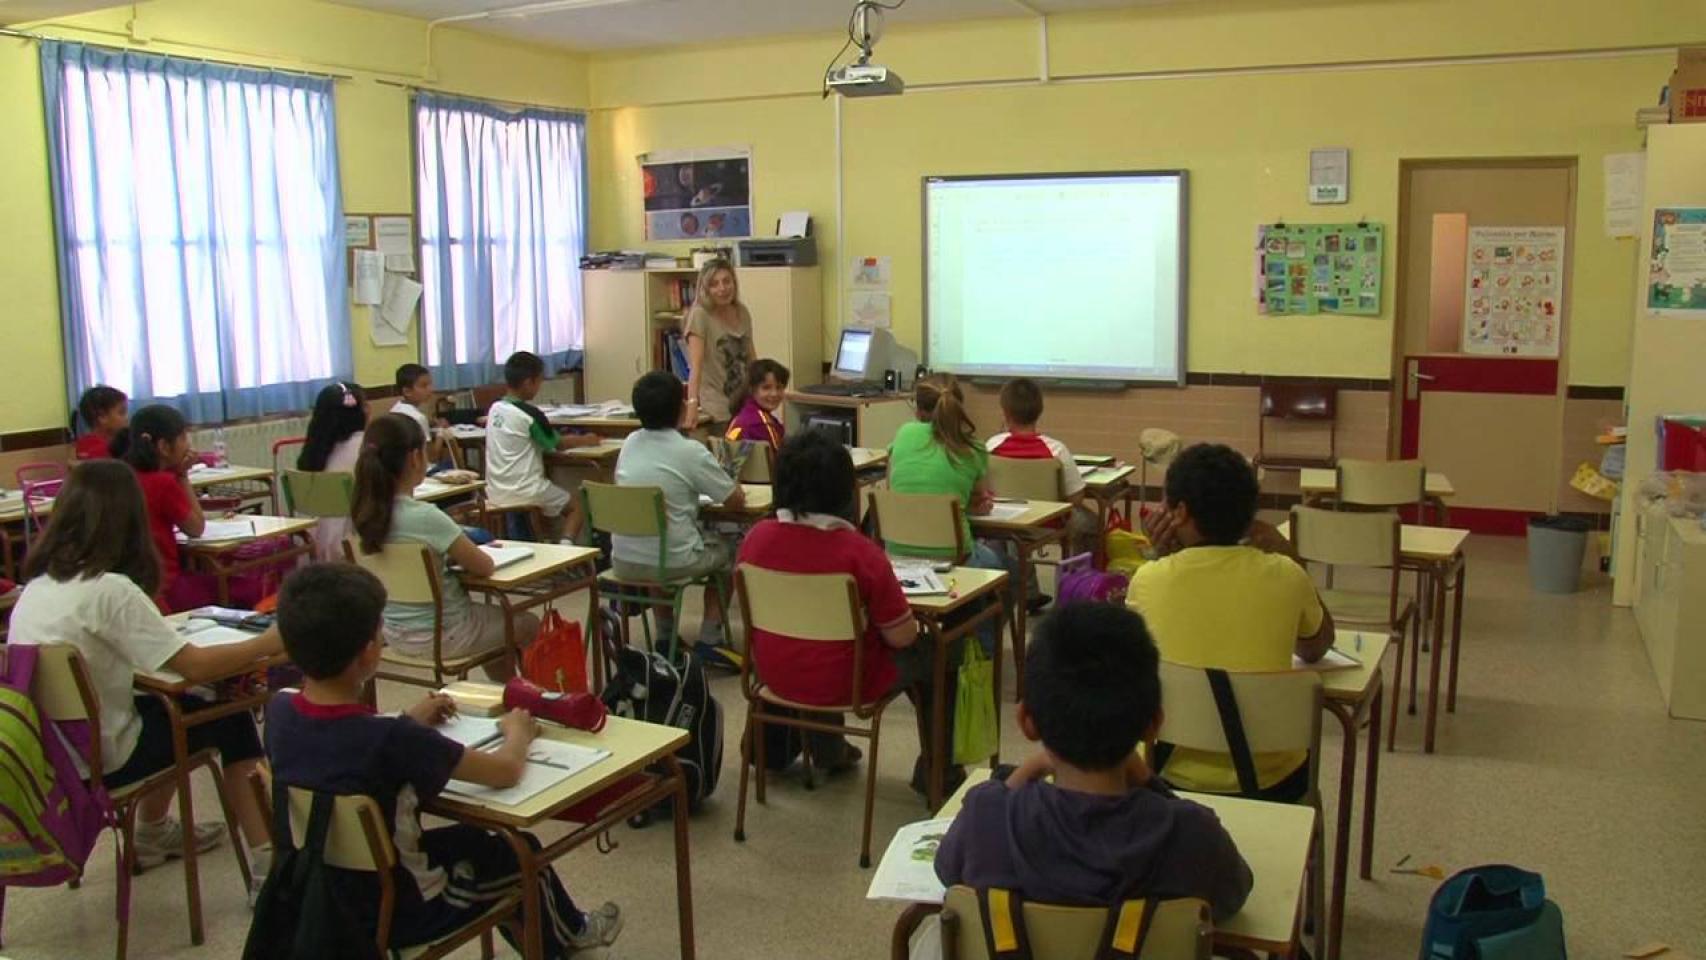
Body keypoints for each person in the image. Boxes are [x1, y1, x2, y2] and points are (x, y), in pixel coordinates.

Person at [263, 564, 622, 955]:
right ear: (368, 650)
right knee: (521, 858)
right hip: (406, 906)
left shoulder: (280, 711)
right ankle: (575, 938)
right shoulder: (396, 739)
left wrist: (409, 720)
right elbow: (503, 771)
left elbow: (340, 745)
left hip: (324, 894)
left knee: (475, 842)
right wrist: (517, 733)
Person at [9, 460, 283, 884]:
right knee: (230, 714)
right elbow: (194, 666)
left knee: (171, 706)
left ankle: (154, 833)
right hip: (108, 759)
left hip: (57, 758)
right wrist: (265, 643)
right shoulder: (110, 590)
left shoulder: (37, 589)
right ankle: (269, 866)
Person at [934, 603, 1253, 922]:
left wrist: (1028, 770)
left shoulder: (985, 819)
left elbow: (946, 870)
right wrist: (1150, 782)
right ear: (1154, 725)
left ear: (1026, 721)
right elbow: (1235, 894)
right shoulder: (1193, 835)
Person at [738, 430, 955, 781]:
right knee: (936, 654)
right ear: (845, 490)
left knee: (815, 644)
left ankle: (829, 751)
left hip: (773, 675)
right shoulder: (861, 553)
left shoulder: (754, 540)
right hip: (844, 682)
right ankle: (938, 775)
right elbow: (902, 637)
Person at [1126, 442, 1334, 798]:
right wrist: (1291, 555)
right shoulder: (1287, 574)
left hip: (1172, 779)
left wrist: (1162, 556)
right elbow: (1316, 647)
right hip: (1274, 783)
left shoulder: (1149, 579)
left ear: (1180, 512)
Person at [350, 413, 537, 680]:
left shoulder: (361, 515)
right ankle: (533, 698)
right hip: (447, 634)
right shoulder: (426, 517)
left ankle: (505, 691)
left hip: (393, 635)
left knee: (494, 625)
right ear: (416, 458)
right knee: (527, 623)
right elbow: (484, 566)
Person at [611, 371, 745, 662]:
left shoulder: (629, 443)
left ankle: (665, 636)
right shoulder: (689, 451)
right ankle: (710, 639)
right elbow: (734, 500)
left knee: (657, 542)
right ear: (682, 409)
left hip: (622, 559)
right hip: (671, 561)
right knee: (732, 548)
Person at [485, 351, 601, 542]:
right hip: (526, 490)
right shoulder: (529, 414)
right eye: (539, 381)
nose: (540, 386)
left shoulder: (495, 408)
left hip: (495, 491)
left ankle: (545, 541)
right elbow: (557, 444)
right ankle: (566, 547)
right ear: (528, 382)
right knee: (577, 507)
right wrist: (586, 439)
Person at [986, 377, 1100, 558]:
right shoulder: (1057, 450)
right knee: (1092, 523)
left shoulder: (991, 447)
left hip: (1004, 522)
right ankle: (1079, 574)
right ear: (1039, 411)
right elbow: (1076, 498)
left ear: (1005, 413)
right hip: (1049, 524)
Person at [117, 404, 216, 612]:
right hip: (165, 585)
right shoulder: (163, 483)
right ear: (163, 446)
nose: (188, 444)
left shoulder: (121, 475)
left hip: (127, 586)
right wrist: (182, 475)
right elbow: (196, 528)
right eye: (183, 438)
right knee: (232, 584)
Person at [297, 381, 370, 562]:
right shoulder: (366, 449)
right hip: (351, 546)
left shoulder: (313, 452)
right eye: (366, 404)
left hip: (311, 547)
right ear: (359, 412)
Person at [681, 258, 755, 429]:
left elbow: (752, 358)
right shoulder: (700, 315)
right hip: (718, 407)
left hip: (745, 403)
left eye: (727, 281)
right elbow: (696, 367)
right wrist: (692, 404)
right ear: (705, 289)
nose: (722, 289)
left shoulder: (741, 311)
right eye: (714, 284)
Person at [393, 362, 453, 465]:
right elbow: (432, 457)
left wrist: (430, 423)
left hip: (401, 467)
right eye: (424, 386)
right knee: (452, 463)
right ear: (407, 391)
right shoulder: (418, 418)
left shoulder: (395, 409)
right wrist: (441, 431)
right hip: (422, 470)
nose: (430, 389)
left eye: (430, 384)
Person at [723, 357, 789, 449]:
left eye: (779, 387)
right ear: (752, 389)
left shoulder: (743, 413)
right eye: (766, 388)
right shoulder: (760, 424)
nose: (774, 393)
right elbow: (778, 456)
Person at [73, 385, 128, 460]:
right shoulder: (102, 449)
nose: (127, 418)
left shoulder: (84, 443)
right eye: (122, 412)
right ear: (102, 417)